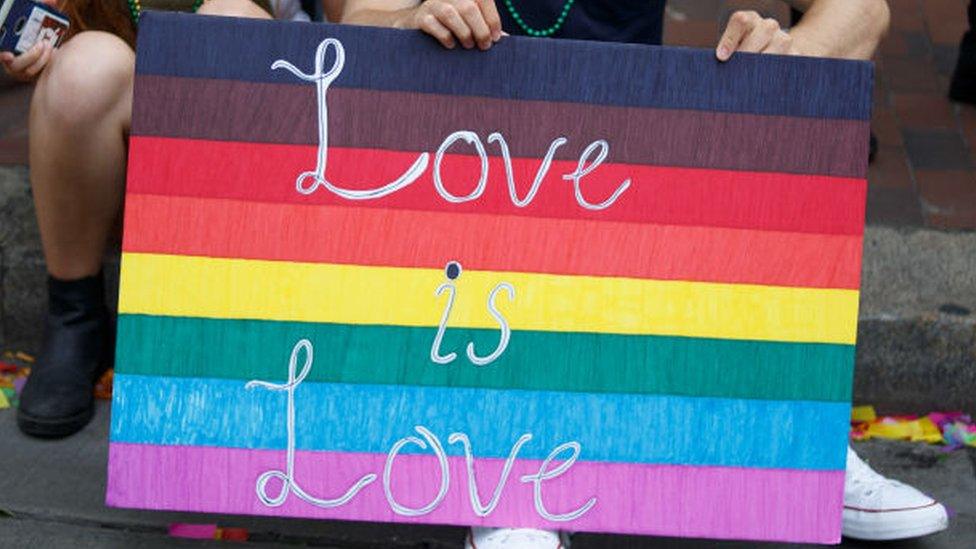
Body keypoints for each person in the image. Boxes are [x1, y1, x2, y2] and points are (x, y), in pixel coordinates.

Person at [340, 1, 949, 547]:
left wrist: (791, 57)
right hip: (464, 164)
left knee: (753, 164)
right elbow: (360, 18)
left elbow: (863, 11)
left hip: (620, 161)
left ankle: (796, 446)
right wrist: (407, 24)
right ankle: (508, 474)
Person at [0, 0, 290, 440]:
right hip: (107, 162)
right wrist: (29, 52)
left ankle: (227, 323)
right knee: (84, 69)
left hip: (248, 182)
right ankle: (74, 317)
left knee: (234, 25)